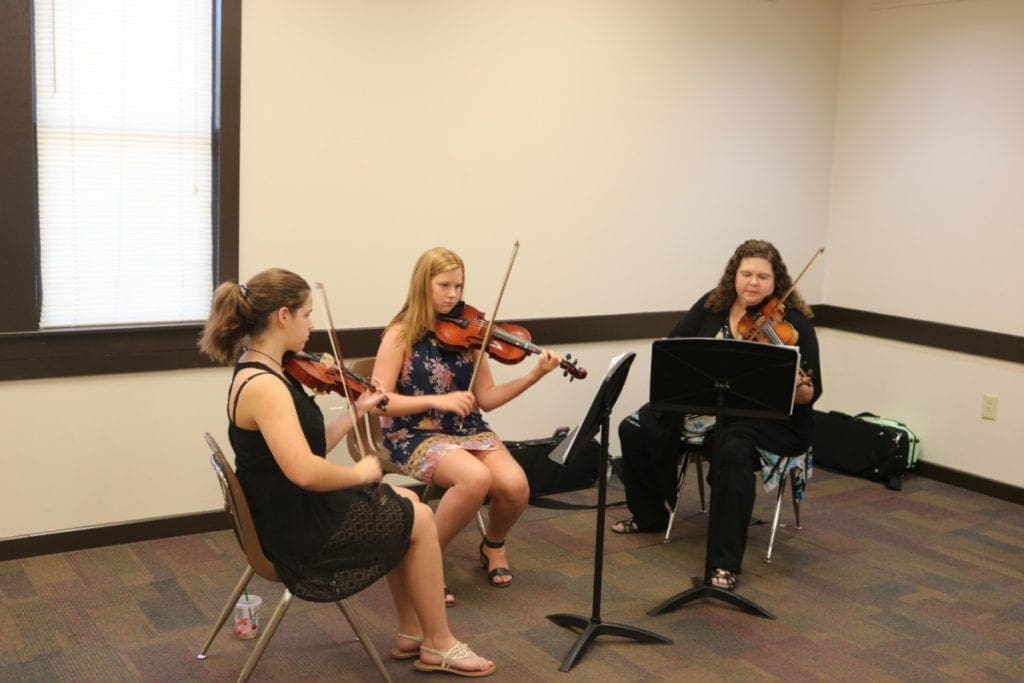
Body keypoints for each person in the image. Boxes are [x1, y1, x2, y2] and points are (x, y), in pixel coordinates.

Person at [198, 267, 495, 677]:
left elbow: (309, 445)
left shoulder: (264, 367)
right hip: (297, 529)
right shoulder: (265, 386)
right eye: (306, 314)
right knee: (420, 516)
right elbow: (305, 471)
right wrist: (361, 473)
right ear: (282, 316)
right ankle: (439, 643)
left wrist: (356, 410)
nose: (311, 324)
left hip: (288, 509)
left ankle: (413, 632)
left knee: (406, 502)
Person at [610, 240, 823, 591]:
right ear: (734, 275)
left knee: (732, 451)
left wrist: (797, 381)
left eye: (763, 277)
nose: (753, 283)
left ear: (777, 281)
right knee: (633, 427)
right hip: (707, 405)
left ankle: (724, 563)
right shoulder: (713, 305)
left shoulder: (796, 324)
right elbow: (676, 343)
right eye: (746, 274)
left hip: (766, 418)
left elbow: (811, 394)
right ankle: (649, 514)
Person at [372, 247, 563, 604]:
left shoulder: (469, 333)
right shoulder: (399, 335)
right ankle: (423, 561)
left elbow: (486, 397)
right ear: (422, 285)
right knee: (475, 479)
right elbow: (380, 402)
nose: (453, 294)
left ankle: (493, 545)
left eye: (458, 286)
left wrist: (534, 375)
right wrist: (435, 400)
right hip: (414, 433)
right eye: (444, 285)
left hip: (466, 428)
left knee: (516, 486)